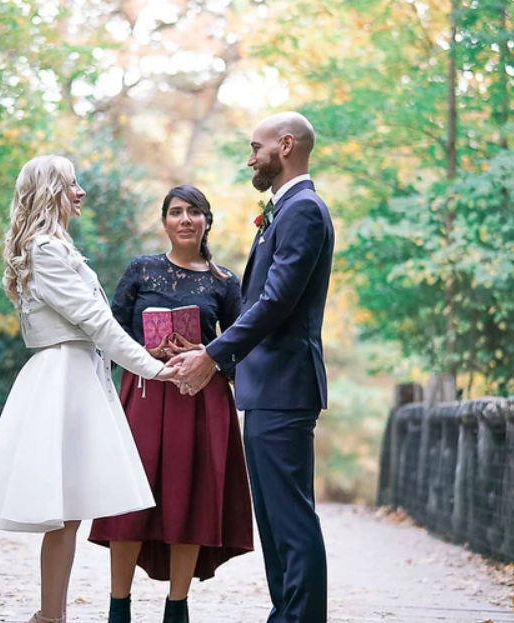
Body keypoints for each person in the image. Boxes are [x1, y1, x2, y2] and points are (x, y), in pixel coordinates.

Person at [0, 155, 177, 623]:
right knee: (63, 510)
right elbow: (96, 321)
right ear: (50, 191)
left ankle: (50, 616)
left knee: (70, 511)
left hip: (78, 374)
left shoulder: (54, 247)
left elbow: (95, 325)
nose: (80, 192)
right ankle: (49, 616)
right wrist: (153, 370)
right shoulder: (45, 250)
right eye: (72, 183)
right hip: (63, 376)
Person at [170, 112, 335, 623]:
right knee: (274, 517)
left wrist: (214, 355)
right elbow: (256, 307)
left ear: (285, 145)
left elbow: (276, 301)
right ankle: (284, 613)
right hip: (266, 387)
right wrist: (208, 350)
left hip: (286, 386)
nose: (250, 158)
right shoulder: (284, 211)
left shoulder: (303, 210)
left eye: (255, 147)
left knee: (290, 518)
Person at [89, 185, 253, 623]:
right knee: (131, 499)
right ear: (164, 222)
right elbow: (111, 333)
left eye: (194, 212)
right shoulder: (141, 271)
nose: (185, 219)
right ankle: (118, 606)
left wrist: (206, 351)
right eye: (176, 212)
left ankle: (177, 607)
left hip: (200, 401)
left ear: (206, 221)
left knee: (191, 497)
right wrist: (148, 351)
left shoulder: (224, 282)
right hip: (143, 395)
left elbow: (240, 347)